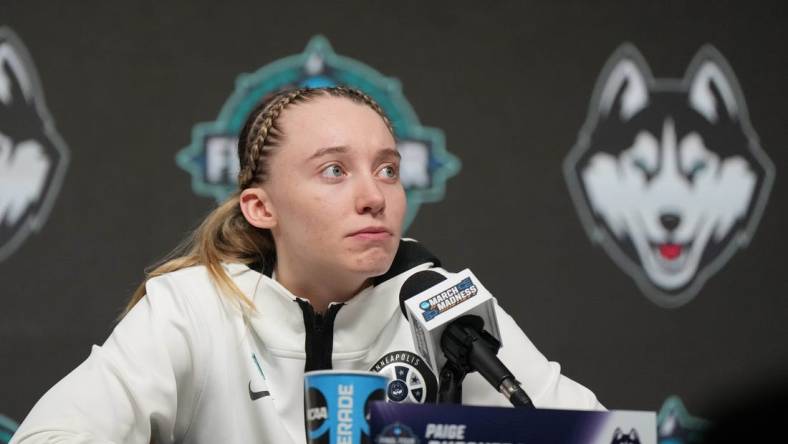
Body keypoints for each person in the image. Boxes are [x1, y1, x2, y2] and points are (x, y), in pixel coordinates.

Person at [11, 86, 603, 444]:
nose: (374, 195)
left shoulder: (442, 304)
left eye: (388, 169)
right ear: (260, 206)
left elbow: (598, 434)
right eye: (334, 171)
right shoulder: (195, 307)